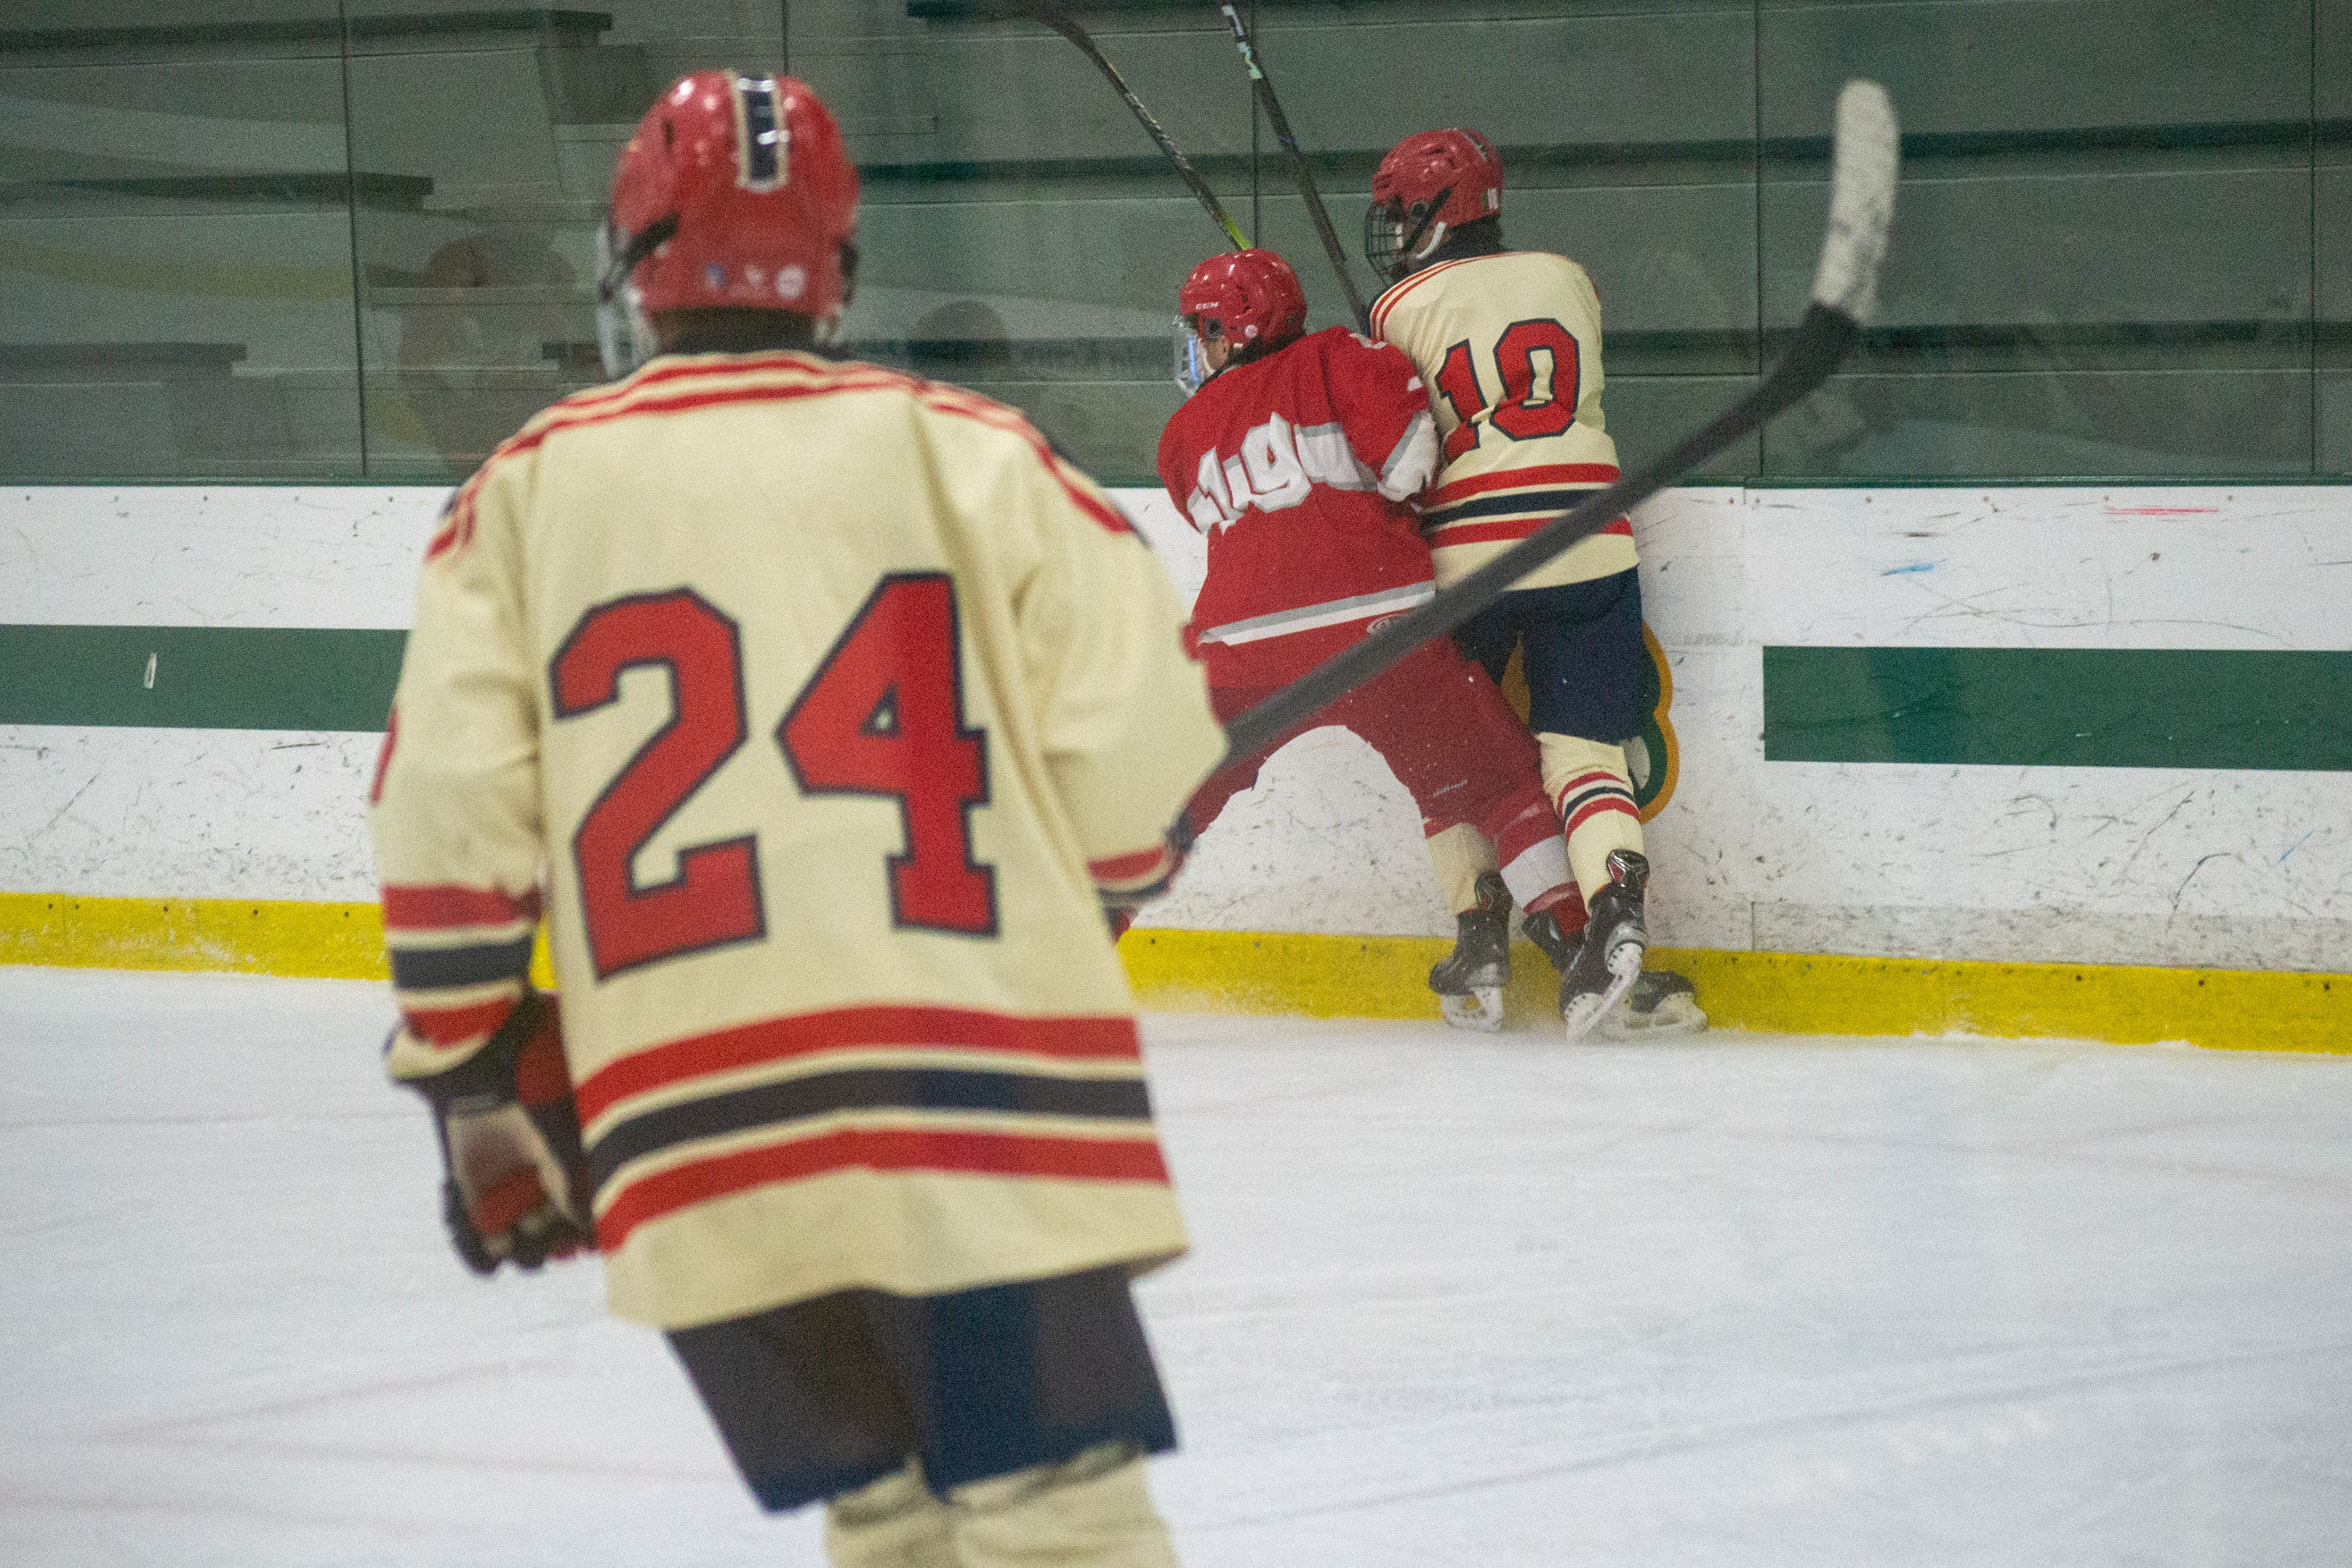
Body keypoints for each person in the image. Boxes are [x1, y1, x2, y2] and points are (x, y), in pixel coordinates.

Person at [368, 71, 1226, 1568]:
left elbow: (444, 813)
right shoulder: (978, 455)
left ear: (634, 263)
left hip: (688, 1123)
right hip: (971, 1098)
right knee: (1057, 1516)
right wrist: (1078, 895)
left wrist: (475, 1075)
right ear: (838, 266)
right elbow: (1143, 749)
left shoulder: (521, 492)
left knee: (884, 1515)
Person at [1156, 247, 1579, 1030]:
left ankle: (1057, 969)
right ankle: (1574, 945)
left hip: (1241, 650)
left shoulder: (1182, 432)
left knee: (1166, 801)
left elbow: (1206, 510)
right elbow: (1412, 462)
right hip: (1376, 631)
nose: (1198, 348)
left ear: (1234, 329)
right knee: (1497, 783)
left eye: (1204, 330)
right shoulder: (1344, 356)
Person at [1362, 126, 1704, 1039]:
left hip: (1472, 555)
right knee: (1586, 752)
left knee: (1450, 758)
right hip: (1589, 536)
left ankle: (1480, 934)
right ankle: (1616, 910)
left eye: (1402, 213)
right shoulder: (1570, 277)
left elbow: (1402, 452)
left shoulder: (1395, 308)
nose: (1394, 230)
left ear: (1438, 214)